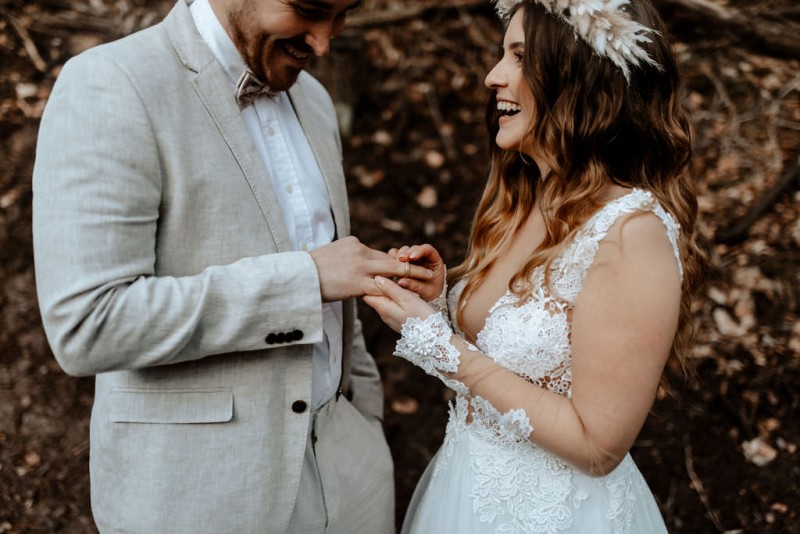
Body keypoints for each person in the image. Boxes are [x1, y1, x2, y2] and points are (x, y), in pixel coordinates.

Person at [32, 0, 425, 531]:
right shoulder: (112, 83)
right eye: (308, 9)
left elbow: (337, 279)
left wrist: (363, 413)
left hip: (353, 478)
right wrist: (305, 281)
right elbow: (88, 324)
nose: (324, 42)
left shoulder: (313, 99)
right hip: (201, 498)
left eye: (341, 14)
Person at [364, 0, 704, 532]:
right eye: (503, 54)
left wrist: (439, 345)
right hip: (466, 494)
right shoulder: (525, 202)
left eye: (519, 57)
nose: (493, 76)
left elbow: (597, 446)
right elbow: (505, 380)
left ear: (581, 77)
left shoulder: (631, 233)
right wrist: (438, 307)